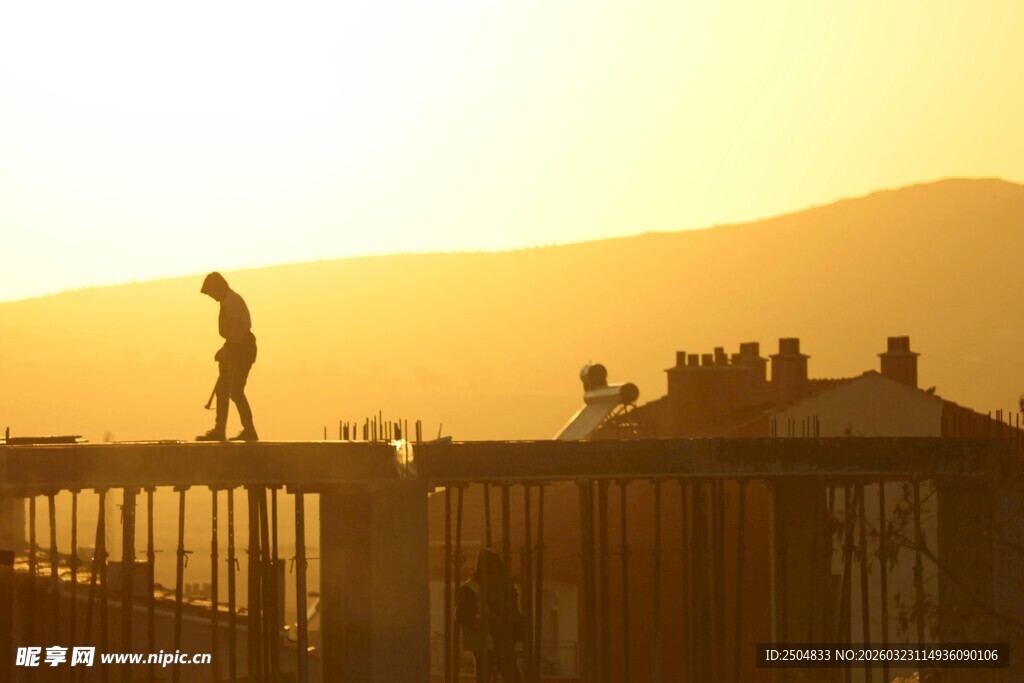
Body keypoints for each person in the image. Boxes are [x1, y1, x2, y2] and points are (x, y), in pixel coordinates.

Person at [196, 272, 259, 442]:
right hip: (235, 349)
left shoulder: (233, 301)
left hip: (242, 350)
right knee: (223, 390)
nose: (212, 297)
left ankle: (250, 430)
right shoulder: (227, 302)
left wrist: (227, 349)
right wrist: (227, 350)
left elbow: (239, 331)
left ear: (218, 287)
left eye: (211, 292)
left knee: (236, 391)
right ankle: (219, 430)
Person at [456, 547, 522, 683]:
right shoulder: (470, 590)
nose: (495, 578)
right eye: (492, 573)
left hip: (503, 642)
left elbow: (514, 614)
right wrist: (483, 624)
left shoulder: (504, 588)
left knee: (514, 679)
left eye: (497, 574)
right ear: (482, 573)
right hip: (484, 645)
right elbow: (462, 616)